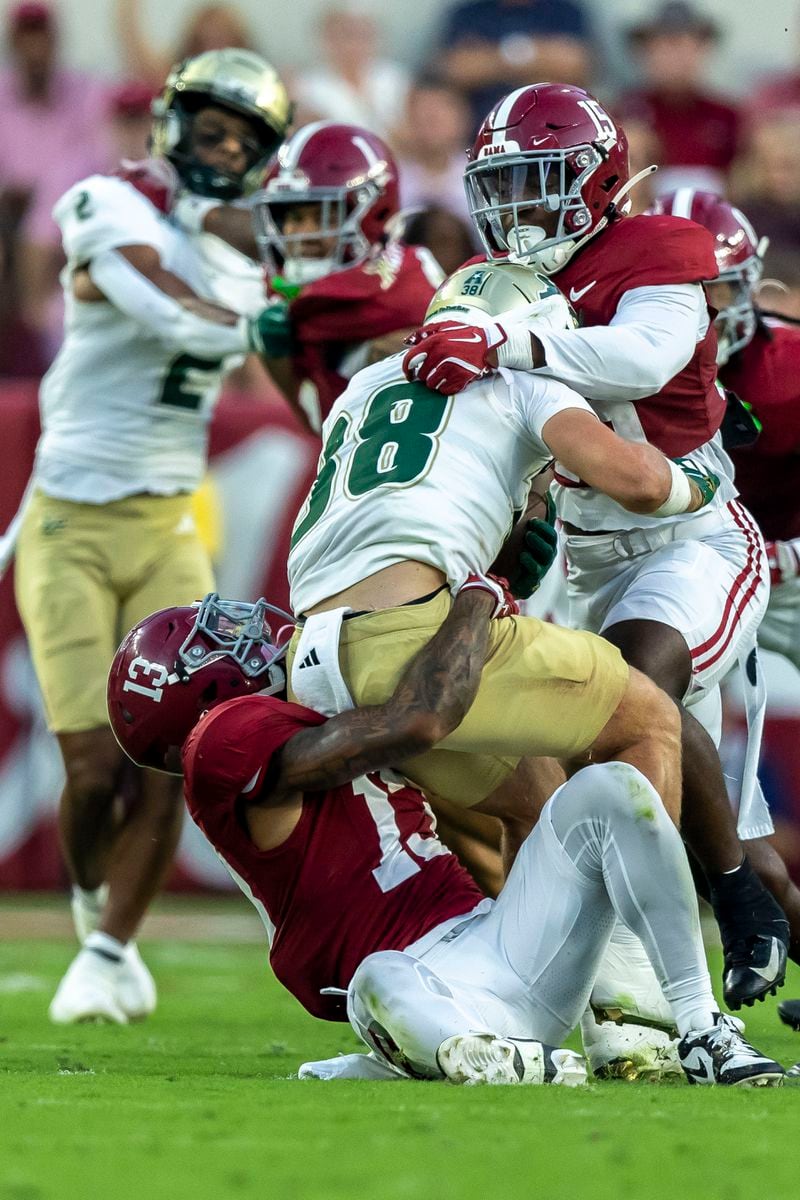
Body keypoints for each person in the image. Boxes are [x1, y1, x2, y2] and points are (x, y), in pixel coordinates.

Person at [401, 83, 790, 1011]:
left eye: (538, 182)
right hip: (584, 552)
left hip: (690, 535)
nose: (518, 208)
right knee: (626, 762)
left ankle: (729, 902)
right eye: (503, 186)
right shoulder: (511, 288)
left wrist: (500, 343)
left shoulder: (656, 251)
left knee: (635, 688)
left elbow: (639, 359)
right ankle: (749, 903)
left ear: (598, 178)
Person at [106, 591, 785, 1087]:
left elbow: (523, 789)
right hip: (423, 978)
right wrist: (468, 605)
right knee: (379, 980)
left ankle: (699, 1025)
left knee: (613, 793)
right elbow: (413, 721)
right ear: (196, 692)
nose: (236, 626)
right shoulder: (222, 740)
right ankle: (493, 1062)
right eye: (207, 639)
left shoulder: (311, 704)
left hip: (499, 945)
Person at [12, 48, 293, 1026]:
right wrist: (271, 311)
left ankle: (107, 944)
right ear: (171, 126)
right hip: (70, 524)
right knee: (88, 769)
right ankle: (93, 899)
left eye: (240, 139)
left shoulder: (245, 247)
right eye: (209, 129)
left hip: (172, 515)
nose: (220, 150)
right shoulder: (103, 202)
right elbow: (164, 307)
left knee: (178, 742)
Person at [650, 190, 800, 1019]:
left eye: (716, 292)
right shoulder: (628, 363)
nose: (699, 313)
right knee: (709, 809)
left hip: (789, 567)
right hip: (698, 564)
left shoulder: (787, 371)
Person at [173, 121, 445, 434]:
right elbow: (320, 423)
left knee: (384, 353)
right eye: (294, 218)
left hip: (426, 446)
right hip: (351, 447)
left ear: (373, 213)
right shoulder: (295, 285)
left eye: (321, 215)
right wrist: (189, 208)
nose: (303, 234)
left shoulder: (407, 283)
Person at [0, 1, 112, 363]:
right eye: (26, 40)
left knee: (57, 203)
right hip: (9, 216)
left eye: (41, 39)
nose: (35, 50)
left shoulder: (85, 93)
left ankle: (39, 324)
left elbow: (96, 158)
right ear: (12, 44)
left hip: (68, 215)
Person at [618, 1, 741, 198]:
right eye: (665, 45)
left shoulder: (729, 117)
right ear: (645, 53)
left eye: (684, 45)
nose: (675, 57)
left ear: (703, 50)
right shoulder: (622, 116)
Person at [435, 0, 591, 134]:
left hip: (553, 132)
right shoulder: (468, 15)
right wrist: (538, 59)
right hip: (480, 132)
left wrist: (491, 59)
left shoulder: (566, 13)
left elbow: (574, 67)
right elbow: (458, 70)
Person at [291, 6, 411, 139]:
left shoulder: (393, 77)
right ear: (328, 38)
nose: (355, 44)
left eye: (363, 35)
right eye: (347, 35)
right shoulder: (307, 85)